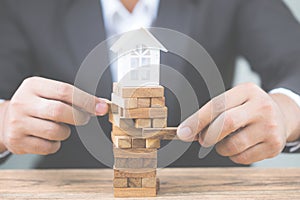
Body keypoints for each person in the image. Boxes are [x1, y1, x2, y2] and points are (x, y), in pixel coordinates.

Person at [0, 0, 300, 168]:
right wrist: (3, 121)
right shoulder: (24, 6)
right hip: (68, 183)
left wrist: (286, 112)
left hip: (208, 185)